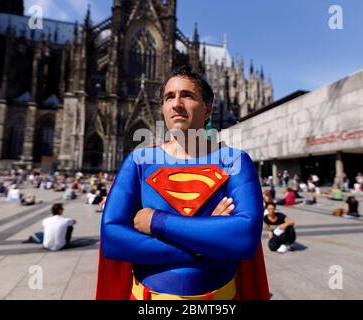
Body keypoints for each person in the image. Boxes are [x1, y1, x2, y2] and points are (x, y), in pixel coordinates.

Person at [96, 66, 269, 300]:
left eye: (187, 95)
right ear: (163, 109)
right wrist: (207, 241)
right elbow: (113, 240)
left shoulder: (234, 160)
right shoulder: (139, 161)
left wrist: (155, 220)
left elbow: (244, 238)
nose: (176, 103)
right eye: (169, 97)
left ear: (207, 109)